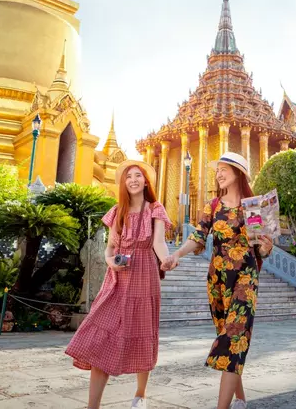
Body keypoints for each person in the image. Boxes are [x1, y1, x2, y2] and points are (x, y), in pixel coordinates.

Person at [162, 152, 274, 409]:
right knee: (229, 337)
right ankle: (241, 399)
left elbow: (261, 249)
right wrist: (177, 254)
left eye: (224, 169)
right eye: (218, 170)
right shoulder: (212, 206)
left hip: (245, 277)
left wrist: (267, 248)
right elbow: (199, 237)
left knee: (236, 336)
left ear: (239, 173)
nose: (219, 174)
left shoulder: (253, 208)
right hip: (218, 280)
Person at [65, 160, 172, 409]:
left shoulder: (155, 208)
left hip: (145, 275)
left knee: (143, 332)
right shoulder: (118, 211)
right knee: (102, 333)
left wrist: (166, 259)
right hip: (118, 279)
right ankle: (93, 406)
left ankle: (140, 394)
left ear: (146, 181)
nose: (133, 180)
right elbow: (110, 248)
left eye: (138, 175)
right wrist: (110, 262)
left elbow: (158, 242)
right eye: (128, 177)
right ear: (123, 183)